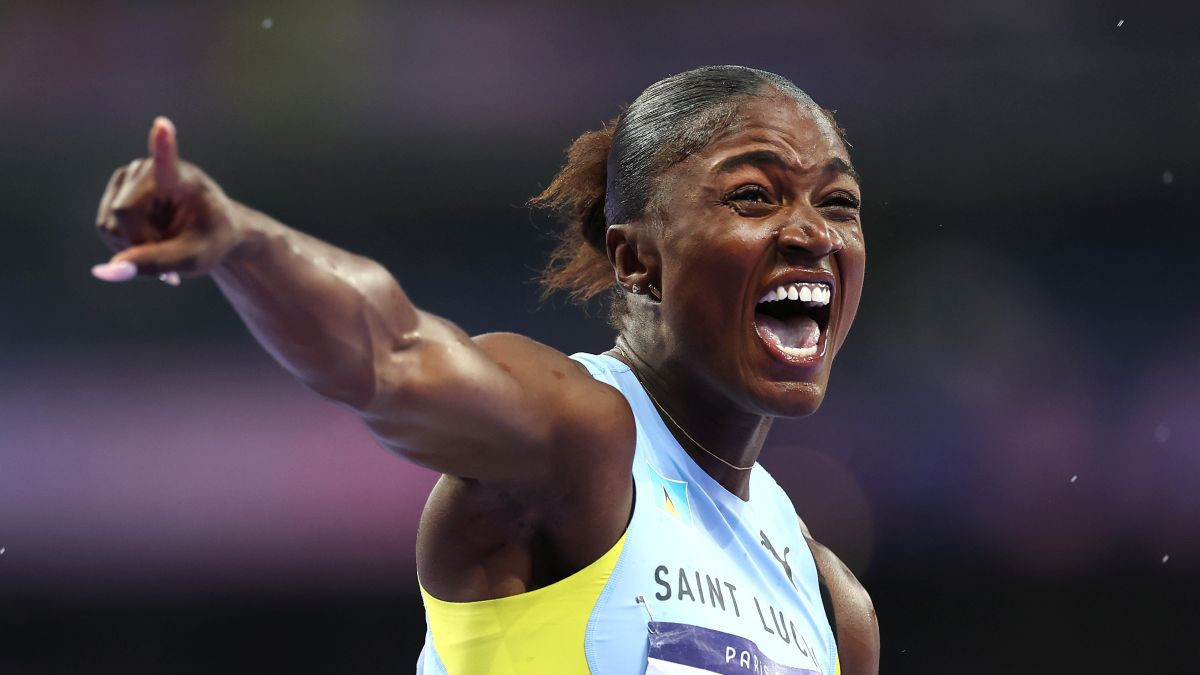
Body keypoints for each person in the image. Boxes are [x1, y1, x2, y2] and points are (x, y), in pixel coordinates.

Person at [92, 65, 879, 674]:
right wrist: (245, 244)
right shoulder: (578, 436)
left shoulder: (831, 601)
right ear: (634, 257)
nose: (812, 232)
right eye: (753, 196)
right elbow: (395, 355)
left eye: (838, 203)